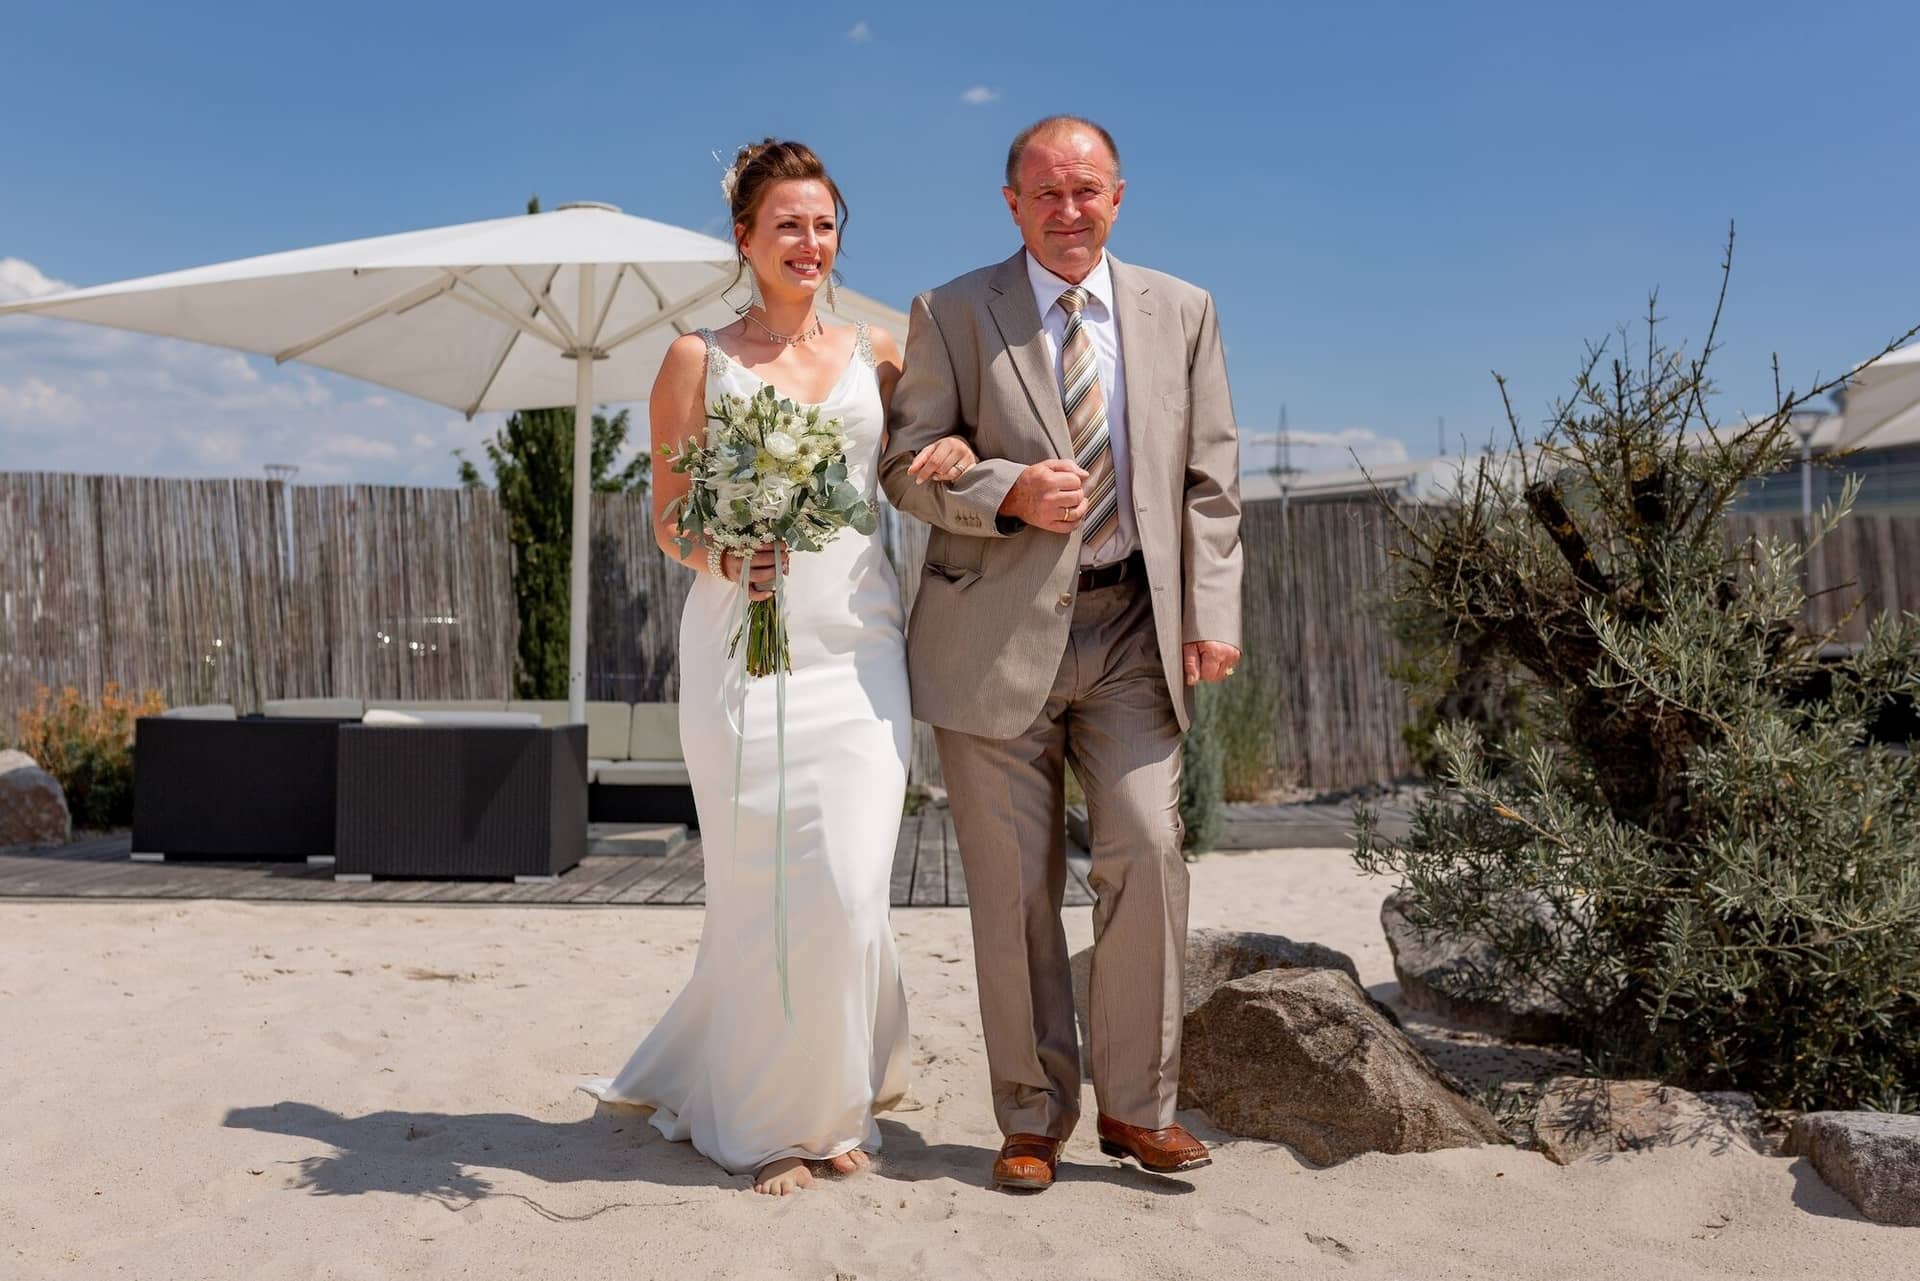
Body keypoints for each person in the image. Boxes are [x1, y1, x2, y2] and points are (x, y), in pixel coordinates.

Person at [581, 140, 978, 1197]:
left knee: (848, 888)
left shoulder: (880, 355)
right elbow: (669, 517)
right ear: (746, 239)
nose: (812, 242)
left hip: (859, 652)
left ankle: (834, 1102)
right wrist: (721, 549)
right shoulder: (691, 361)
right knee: (761, 888)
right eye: (789, 225)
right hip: (739, 651)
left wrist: (942, 456)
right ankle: (764, 1127)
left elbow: (915, 463)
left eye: (825, 224)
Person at [880, 115, 1243, 1193]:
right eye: (1047, 193)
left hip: (1133, 626)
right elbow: (906, 468)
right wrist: (1004, 493)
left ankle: (1139, 1110)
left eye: (1088, 191)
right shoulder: (950, 312)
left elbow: (1212, 483)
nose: (1069, 210)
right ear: (1011, 204)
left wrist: (1210, 609)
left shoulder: (1184, 311)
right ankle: (1031, 1119)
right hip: (989, 635)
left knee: (1146, 847)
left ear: (1119, 197)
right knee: (1013, 891)